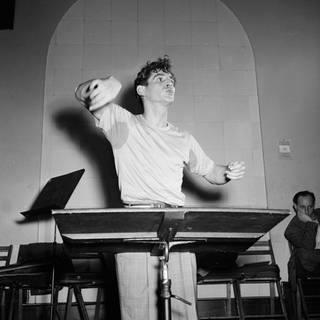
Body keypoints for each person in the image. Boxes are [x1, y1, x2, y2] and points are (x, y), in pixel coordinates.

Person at [75, 56, 246, 320]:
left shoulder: (183, 137)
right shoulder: (122, 123)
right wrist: (106, 84)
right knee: (137, 311)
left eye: (171, 80)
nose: (169, 83)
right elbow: (81, 92)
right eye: (160, 79)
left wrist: (227, 172)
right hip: (135, 224)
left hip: (177, 224)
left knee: (183, 308)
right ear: (141, 90)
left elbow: (212, 172)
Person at [285, 190, 320, 277]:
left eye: (310, 207)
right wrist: (311, 223)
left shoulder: (318, 213)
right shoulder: (291, 230)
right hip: (310, 266)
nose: (307, 211)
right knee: (304, 254)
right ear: (295, 206)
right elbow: (308, 246)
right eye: (302, 207)